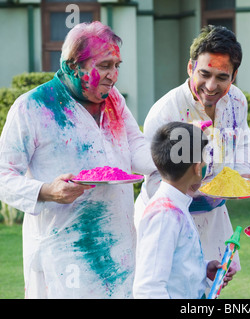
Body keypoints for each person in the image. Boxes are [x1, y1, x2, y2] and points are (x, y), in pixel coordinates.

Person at [0, 21, 153, 298]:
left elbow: (136, 147)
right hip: (64, 255)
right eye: (105, 65)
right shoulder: (32, 107)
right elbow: (3, 176)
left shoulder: (113, 99)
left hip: (118, 249)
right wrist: (47, 191)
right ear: (72, 66)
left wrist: (176, 163)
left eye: (117, 65)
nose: (114, 75)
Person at [134, 25, 250, 271]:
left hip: (213, 219)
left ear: (233, 77)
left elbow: (242, 140)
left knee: (212, 288)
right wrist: (203, 190)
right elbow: (153, 179)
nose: (211, 86)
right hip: (168, 219)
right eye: (204, 73)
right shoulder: (166, 111)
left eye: (222, 77)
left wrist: (241, 176)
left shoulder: (237, 100)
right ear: (190, 68)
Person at [133, 122, 236, 298]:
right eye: (204, 159)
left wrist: (203, 269)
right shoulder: (165, 215)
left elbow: (176, 261)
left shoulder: (177, 204)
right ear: (197, 168)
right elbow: (148, 288)